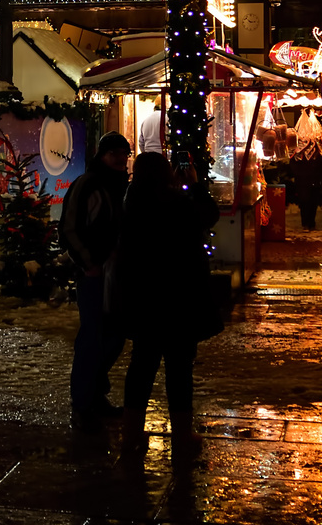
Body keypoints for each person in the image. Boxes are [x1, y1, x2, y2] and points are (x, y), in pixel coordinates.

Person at [111, 152, 221, 458]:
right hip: (177, 298)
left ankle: (130, 434)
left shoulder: (130, 202)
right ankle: (182, 437)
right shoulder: (177, 203)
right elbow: (208, 215)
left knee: (141, 366)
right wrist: (195, 186)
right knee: (179, 369)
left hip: (143, 297)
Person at [59, 130, 130, 430]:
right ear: (102, 155)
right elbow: (70, 227)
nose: (119, 158)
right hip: (94, 273)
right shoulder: (89, 185)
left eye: (123, 153)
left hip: (115, 272)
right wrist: (88, 263)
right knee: (93, 336)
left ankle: (94, 394)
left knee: (113, 334)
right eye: (113, 153)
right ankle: (84, 401)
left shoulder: (121, 187)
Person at [289, 144, 322, 232]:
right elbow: (293, 162)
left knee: (314, 201)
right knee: (304, 201)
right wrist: (299, 174)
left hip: (315, 178)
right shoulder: (299, 149)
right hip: (303, 179)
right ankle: (306, 223)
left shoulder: (319, 149)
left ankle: (311, 222)